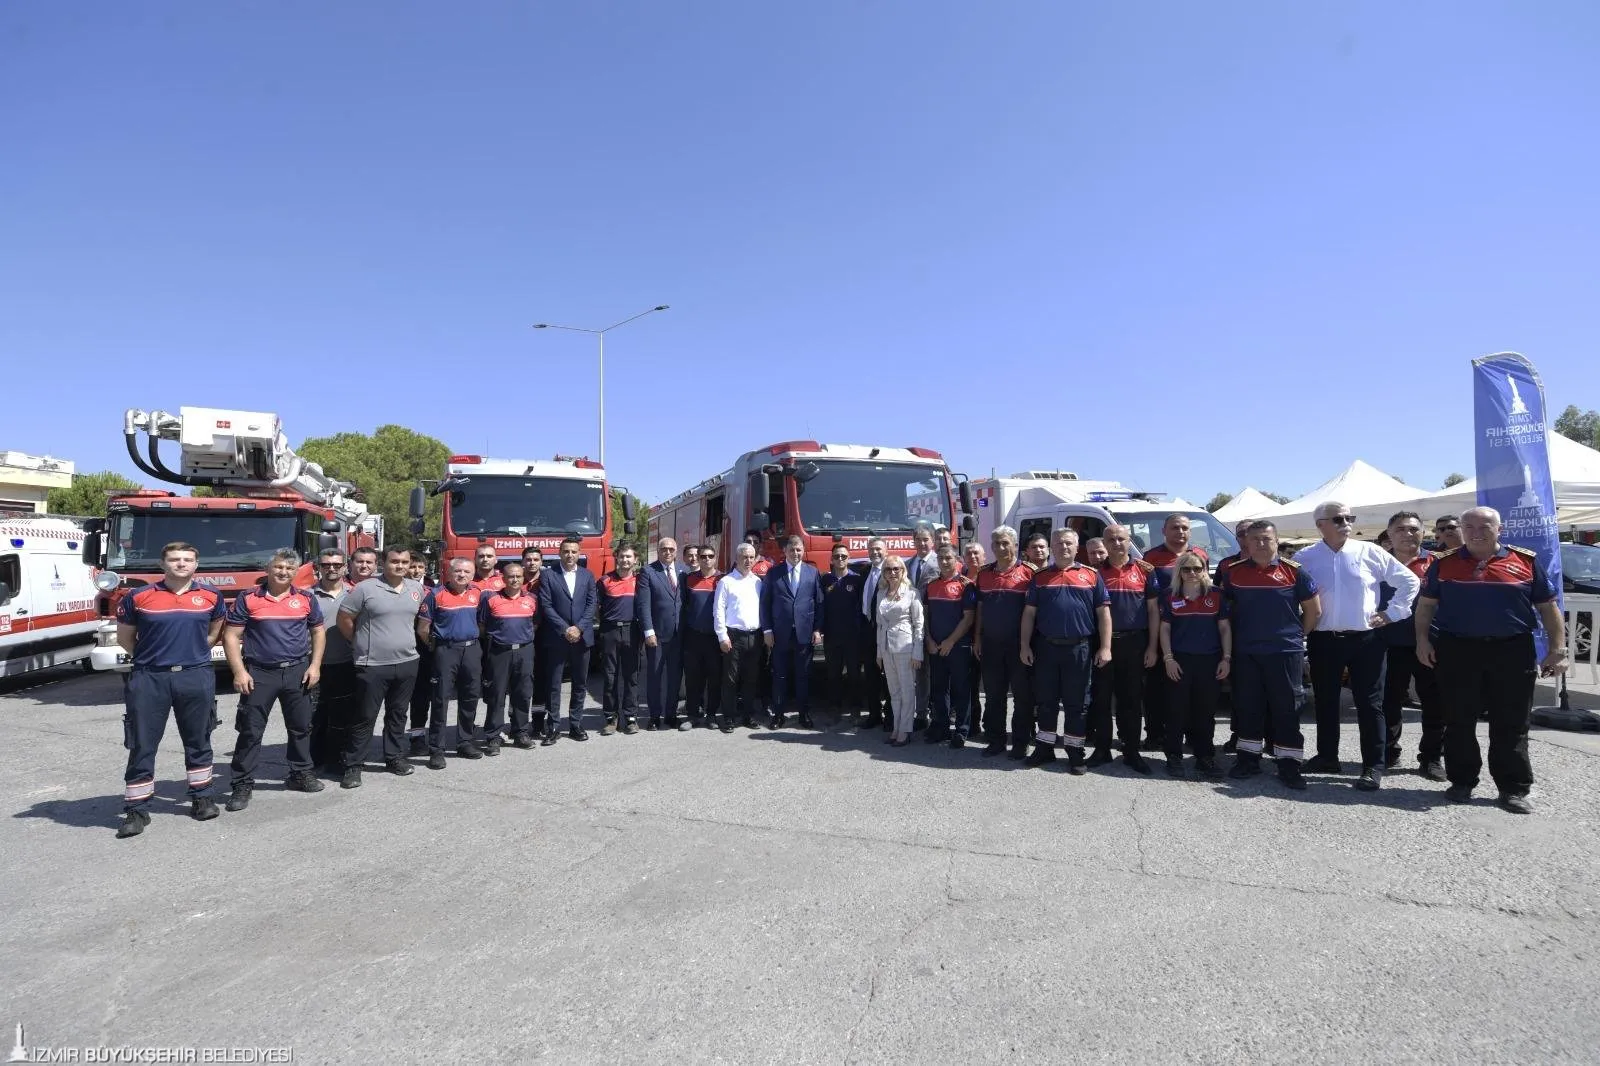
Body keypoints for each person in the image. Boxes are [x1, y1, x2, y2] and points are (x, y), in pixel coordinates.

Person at [1415, 506, 1567, 814]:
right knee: (1458, 720)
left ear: (1500, 530)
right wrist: (1421, 640)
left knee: (1511, 723)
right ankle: (1461, 781)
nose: (1476, 531)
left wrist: (1558, 649)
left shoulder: (1525, 562)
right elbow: (1426, 607)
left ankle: (1513, 789)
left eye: (1484, 526)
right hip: (1458, 650)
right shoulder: (1443, 564)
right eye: (1468, 526)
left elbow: (1549, 609)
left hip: (1512, 650)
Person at [1294, 501, 1421, 790]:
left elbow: (1409, 582)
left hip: (1366, 639)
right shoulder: (1306, 557)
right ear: (1320, 525)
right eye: (1338, 519)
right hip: (1324, 639)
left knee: (1370, 704)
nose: (1346, 523)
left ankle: (1373, 766)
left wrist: (1393, 613)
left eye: (1349, 518)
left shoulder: (1370, 551)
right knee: (1325, 701)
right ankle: (1327, 756)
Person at [113, 541, 227, 838]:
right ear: (163, 565)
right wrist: (155, 658)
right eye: (174, 559)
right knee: (142, 743)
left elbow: (214, 633)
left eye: (187, 559)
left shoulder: (211, 596)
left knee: (199, 738)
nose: (181, 564)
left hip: (195, 675)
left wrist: (190, 655)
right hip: (150, 677)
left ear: (196, 565)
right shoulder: (139, 596)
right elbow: (126, 638)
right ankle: (137, 810)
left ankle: (202, 798)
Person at [222, 548, 326, 811]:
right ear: (268, 569)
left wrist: (315, 666)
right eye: (279, 567)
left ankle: (300, 773)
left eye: (290, 569)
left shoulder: (305, 599)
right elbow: (231, 636)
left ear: (296, 572)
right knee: (250, 731)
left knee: (301, 727)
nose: (284, 572)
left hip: (297, 671)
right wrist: (239, 671)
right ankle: (242, 783)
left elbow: (318, 633)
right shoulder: (248, 598)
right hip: (259, 673)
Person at [1221, 520, 1320, 791]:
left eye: (1266, 539)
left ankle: (1289, 764)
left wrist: (1297, 636)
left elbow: (1313, 611)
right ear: (1246, 543)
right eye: (1255, 539)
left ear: (1276, 541)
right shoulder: (1233, 573)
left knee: (1286, 708)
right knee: (1248, 706)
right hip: (1247, 651)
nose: (1261, 544)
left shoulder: (1295, 573)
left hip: (1284, 651)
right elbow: (1225, 612)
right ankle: (1248, 759)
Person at [1020, 528, 1111, 773]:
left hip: (1079, 649)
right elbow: (1029, 614)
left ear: (1076, 546)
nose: (1064, 547)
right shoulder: (1039, 577)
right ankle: (1045, 748)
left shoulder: (1091, 575)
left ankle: (1074, 752)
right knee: (1046, 701)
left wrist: (1105, 647)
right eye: (1059, 543)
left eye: (1068, 543)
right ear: (1052, 546)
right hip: (1046, 648)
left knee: (1077, 703)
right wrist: (1024, 645)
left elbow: (1104, 613)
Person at [337, 546, 428, 788]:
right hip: (372, 664)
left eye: (405, 562)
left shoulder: (416, 589)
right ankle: (354, 765)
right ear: (383, 563)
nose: (400, 566)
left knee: (398, 714)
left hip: (408, 662)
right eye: (395, 561)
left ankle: (394, 757)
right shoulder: (365, 589)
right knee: (365, 716)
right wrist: (356, 642)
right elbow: (344, 619)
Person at [1380, 511, 1445, 779]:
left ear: (1423, 533)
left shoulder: (1438, 563)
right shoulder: (1377, 564)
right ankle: (1386, 752)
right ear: (1390, 533)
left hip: (1430, 644)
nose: (1408, 534)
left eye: (1413, 529)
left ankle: (1430, 758)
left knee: (1434, 702)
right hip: (1388, 643)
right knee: (1388, 702)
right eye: (1401, 529)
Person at [1090, 525, 1157, 773]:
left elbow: (1153, 611)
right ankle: (1102, 749)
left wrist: (1152, 646)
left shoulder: (1145, 571)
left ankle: (1131, 751)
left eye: (1121, 539)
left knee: (1131, 700)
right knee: (1101, 699)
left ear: (1129, 541)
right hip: (1101, 644)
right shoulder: (1094, 573)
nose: (1117, 543)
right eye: (1111, 539)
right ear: (1104, 544)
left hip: (1135, 643)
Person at [1160, 550, 1230, 779]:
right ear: (1178, 571)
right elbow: (1165, 629)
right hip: (1179, 660)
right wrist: (1168, 659)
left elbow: (1224, 628)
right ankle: (1174, 756)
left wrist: (1226, 658)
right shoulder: (1169, 595)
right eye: (1186, 568)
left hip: (1209, 661)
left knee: (1205, 711)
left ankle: (1205, 757)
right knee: (1175, 711)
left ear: (1204, 570)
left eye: (1197, 568)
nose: (1192, 573)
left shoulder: (1217, 594)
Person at [1141, 514, 1206, 753]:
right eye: (1175, 528)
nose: (1180, 532)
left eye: (1185, 528)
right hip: (1163, 628)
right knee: (1156, 687)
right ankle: (1155, 734)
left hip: (1193, 631)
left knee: (1189, 687)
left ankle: (1190, 734)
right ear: (1164, 531)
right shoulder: (1151, 557)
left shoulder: (1201, 555)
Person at [974, 525, 1034, 759]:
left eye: (1005, 543)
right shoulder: (984, 573)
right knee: (994, 695)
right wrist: (977, 638)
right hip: (991, 645)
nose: (1000, 547)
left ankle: (1020, 742)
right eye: (996, 543)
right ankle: (996, 740)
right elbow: (979, 609)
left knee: (1022, 696)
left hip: (1018, 646)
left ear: (1016, 546)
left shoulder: (1029, 573)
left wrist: (1028, 644)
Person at [421, 559, 485, 760]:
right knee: (440, 699)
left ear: (472, 575)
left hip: (472, 649)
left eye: (467, 571)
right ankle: (437, 749)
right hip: (446, 651)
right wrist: (437, 648)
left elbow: (481, 624)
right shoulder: (435, 595)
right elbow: (423, 629)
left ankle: (465, 742)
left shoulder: (477, 594)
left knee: (470, 697)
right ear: (449, 573)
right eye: (457, 571)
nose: (462, 575)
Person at [538, 536, 598, 742]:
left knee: (580, 684)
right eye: (566, 551)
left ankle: (575, 724)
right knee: (554, 684)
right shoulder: (548, 575)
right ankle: (553, 726)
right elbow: (546, 605)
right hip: (557, 637)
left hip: (582, 638)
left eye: (574, 551)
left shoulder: (588, 575)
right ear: (559, 553)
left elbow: (592, 605)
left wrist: (579, 628)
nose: (570, 555)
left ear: (579, 553)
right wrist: (565, 629)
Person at [762, 535, 824, 729]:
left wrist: (817, 629)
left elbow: (820, 603)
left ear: (803, 551)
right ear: (785, 551)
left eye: (798, 550)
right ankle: (778, 715)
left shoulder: (812, 573)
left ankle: (803, 714)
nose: (795, 553)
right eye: (791, 550)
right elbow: (765, 603)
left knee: (803, 676)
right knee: (779, 675)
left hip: (804, 634)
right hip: (780, 634)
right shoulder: (774, 573)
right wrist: (767, 630)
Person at [479, 561, 539, 750]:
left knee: (523, 693)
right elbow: (482, 626)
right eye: (511, 576)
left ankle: (520, 732)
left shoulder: (532, 599)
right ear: (503, 579)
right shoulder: (491, 599)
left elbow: (535, 624)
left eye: (518, 576)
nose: (514, 580)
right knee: (496, 695)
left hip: (524, 650)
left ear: (523, 578)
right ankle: (493, 735)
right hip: (499, 652)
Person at [922, 544, 977, 747]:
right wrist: (928, 639)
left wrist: (951, 641)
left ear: (956, 560)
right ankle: (941, 727)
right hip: (935, 647)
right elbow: (926, 616)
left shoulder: (966, 585)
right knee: (938, 689)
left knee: (961, 690)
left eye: (948, 558)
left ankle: (962, 731)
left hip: (958, 647)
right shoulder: (931, 585)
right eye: (941, 558)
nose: (944, 562)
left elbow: (968, 618)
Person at [309, 549, 355, 774]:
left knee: (342, 716)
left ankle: (337, 759)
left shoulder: (355, 594)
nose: (332, 568)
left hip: (346, 664)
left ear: (345, 567)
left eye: (337, 564)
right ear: (319, 567)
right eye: (326, 564)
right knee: (314, 716)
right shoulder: (307, 596)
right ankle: (313, 760)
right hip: (314, 666)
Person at [715, 542, 765, 731]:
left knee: (751, 679)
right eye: (744, 557)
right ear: (736, 558)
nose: (748, 560)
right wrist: (722, 636)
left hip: (755, 636)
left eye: (751, 557)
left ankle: (747, 716)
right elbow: (718, 610)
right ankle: (729, 717)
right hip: (733, 637)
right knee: (730, 679)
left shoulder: (758, 582)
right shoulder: (726, 582)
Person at [874, 556, 924, 746]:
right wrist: (879, 652)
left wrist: (917, 652)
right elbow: (879, 625)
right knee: (894, 691)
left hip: (905, 647)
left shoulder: (912, 593)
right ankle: (896, 727)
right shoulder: (881, 593)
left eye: (896, 569)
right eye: (888, 569)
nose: (892, 573)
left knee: (907, 690)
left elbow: (919, 624)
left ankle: (905, 729)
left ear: (903, 571)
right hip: (886, 648)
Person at [640, 538, 687, 730]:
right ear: (658, 551)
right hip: (657, 635)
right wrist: (648, 631)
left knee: (675, 678)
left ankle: (671, 714)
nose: (667, 552)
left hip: (679, 635)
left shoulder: (683, 573)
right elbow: (643, 605)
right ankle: (654, 716)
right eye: (664, 549)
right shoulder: (648, 572)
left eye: (671, 549)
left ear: (676, 552)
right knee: (655, 677)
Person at [597, 545, 644, 735]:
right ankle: (611, 717)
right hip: (610, 631)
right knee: (610, 677)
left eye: (628, 557)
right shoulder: (605, 580)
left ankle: (631, 717)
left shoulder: (640, 581)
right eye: (622, 556)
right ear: (616, 557)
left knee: (631, 675)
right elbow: (596, 606)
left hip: (632, 630)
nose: (625, 560)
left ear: (635, 559)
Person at [681, 545, 723, 728]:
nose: (706, 559)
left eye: (710, 556)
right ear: (698, 558)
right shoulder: (689, 580)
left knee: (714, 677)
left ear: (715, 558)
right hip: (693, 636)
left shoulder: (722, 579)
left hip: (713, 637)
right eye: (703, 556)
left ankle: (711, 715)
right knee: (693, 677)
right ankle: (692, 715)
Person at [820, 544, 865, 714]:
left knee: (854, 672)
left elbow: (861, 607)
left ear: (849, 559)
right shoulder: (825, 580)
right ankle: (835, 705)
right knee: (833, 672)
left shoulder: (856, 580)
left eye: (844, 556)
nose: (840, 559)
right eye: (837, 556)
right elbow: (819, 605)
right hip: (831, 634)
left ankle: (855, 706)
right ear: (831, 559)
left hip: (852, 635)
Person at [858, 538, 893, 728]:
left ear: (885, 551)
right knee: (870, 675)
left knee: (888, 675)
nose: (875, 553)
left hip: (885, 630)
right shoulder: (864, 572)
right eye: (872, 549)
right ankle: (874, 715)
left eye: (878, 549)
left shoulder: (891, 573)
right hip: (867, 629)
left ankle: (890, 716)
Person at [405, 553, 437, 756]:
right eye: (412, 566)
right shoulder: (399, 589)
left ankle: (419, 736)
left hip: (426, 647)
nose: (416, 571)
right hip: (404, 645)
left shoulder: (432, 590)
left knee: (423, 695)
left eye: (420, 567)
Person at [959, 542, 985, 738]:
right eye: (969, 554)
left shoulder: (988, 575)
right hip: (963, 637)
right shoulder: (959, 577)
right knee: (970, 684)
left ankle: (986, 723)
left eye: (976, 553)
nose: (973, 556)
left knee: (991, 686)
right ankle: (972, 724)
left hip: (986, 636)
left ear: (984, 556)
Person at [521, 547, 549, 712]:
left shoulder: (548, 580)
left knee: (540, 677)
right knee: (519, 680)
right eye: (528, 559)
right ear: (523, 561)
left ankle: (538, 723)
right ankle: (517, 723)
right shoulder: (515, 579)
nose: (532, 563)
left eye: (536, 560)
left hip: (543, 634)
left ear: (541, 562)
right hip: (520, 635)